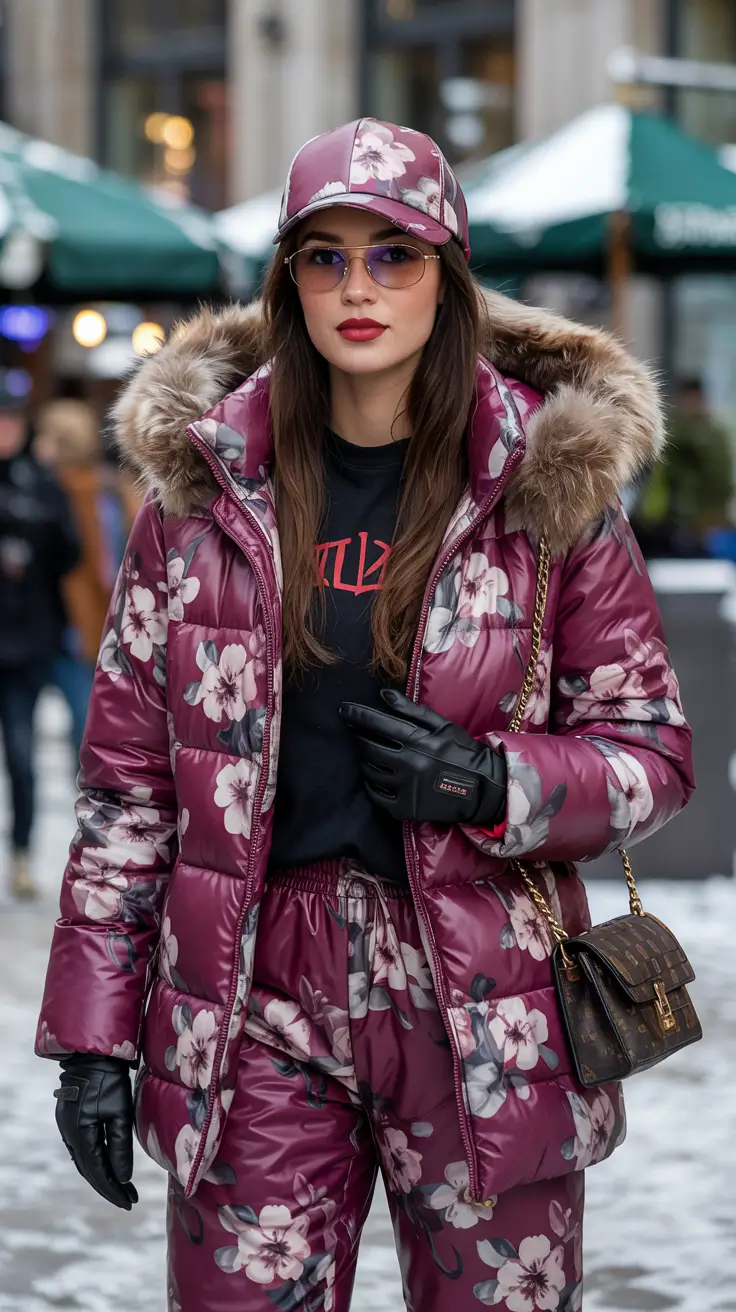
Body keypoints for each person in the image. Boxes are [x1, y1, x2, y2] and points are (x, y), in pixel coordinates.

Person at [36, 120, 693, 1311]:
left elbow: (650, 750)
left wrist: (495, 781)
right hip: (252, 1000)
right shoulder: (202, 494)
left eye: (394, 254)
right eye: (324, 256)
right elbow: (128, 788)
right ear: (289, 277)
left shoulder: (545, 487)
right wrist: (93, 1035)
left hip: (486, 997)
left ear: (448, 268)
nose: (357, 287)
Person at [0, 376, 79, 900]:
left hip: (27, 644)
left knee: (23, 758)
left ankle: (22, 852)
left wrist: (37, 530)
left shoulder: (43, 483)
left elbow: (72, 554)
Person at [34, 384, 123, 760]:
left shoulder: (70, 492)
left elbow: (91, 563)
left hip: (77, 619)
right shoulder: (111, 486)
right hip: (101, 614)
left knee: (84, 716)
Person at [633, 375, 734, 557]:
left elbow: (720, 480)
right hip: (668, 518)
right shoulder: (670, 429)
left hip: (701, 521)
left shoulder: (710, 434)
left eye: (693, 398)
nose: (689, 404)